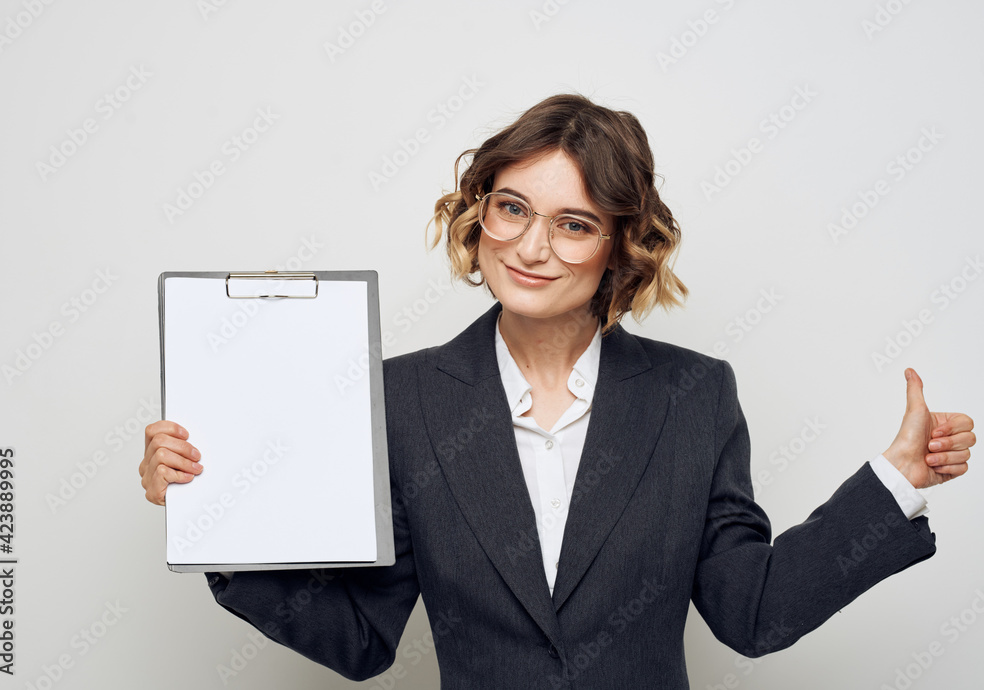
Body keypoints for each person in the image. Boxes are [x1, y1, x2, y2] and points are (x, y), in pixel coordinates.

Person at [140, 94, 975, 688]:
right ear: (479, 214)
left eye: (573, 224)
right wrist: (213, 515)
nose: (531, 248)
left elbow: (752, 612)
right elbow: (361, 637)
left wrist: (897, 481)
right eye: (512, 208)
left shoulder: (694, 397)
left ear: (621, 245)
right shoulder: (402, 401)